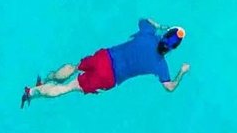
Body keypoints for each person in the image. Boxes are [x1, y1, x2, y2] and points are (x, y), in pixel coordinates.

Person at [24, 20, 190, 104]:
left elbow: (144, 20)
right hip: (109, 77)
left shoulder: (148, 34)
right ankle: (31, 92)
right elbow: (170, 87)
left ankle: (45, 79)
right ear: (172, 49)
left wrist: (159, 26)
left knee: (75, 67)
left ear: (165, 34)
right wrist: (182, 72)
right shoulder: (160, 66)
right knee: (67, 88)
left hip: (105, 57)